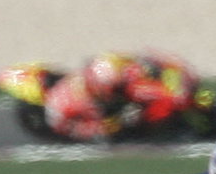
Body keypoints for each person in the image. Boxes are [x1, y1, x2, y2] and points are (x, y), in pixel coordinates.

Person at [43, 51, 188, 143]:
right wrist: (106, 126)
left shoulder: (111, 74)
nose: (118, 88)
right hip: (98, 124)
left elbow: (132, 65)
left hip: (111, 107)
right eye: (114, 88)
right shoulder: (66, 102)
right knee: (119, 137)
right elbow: (62, 126)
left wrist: (150, 66)